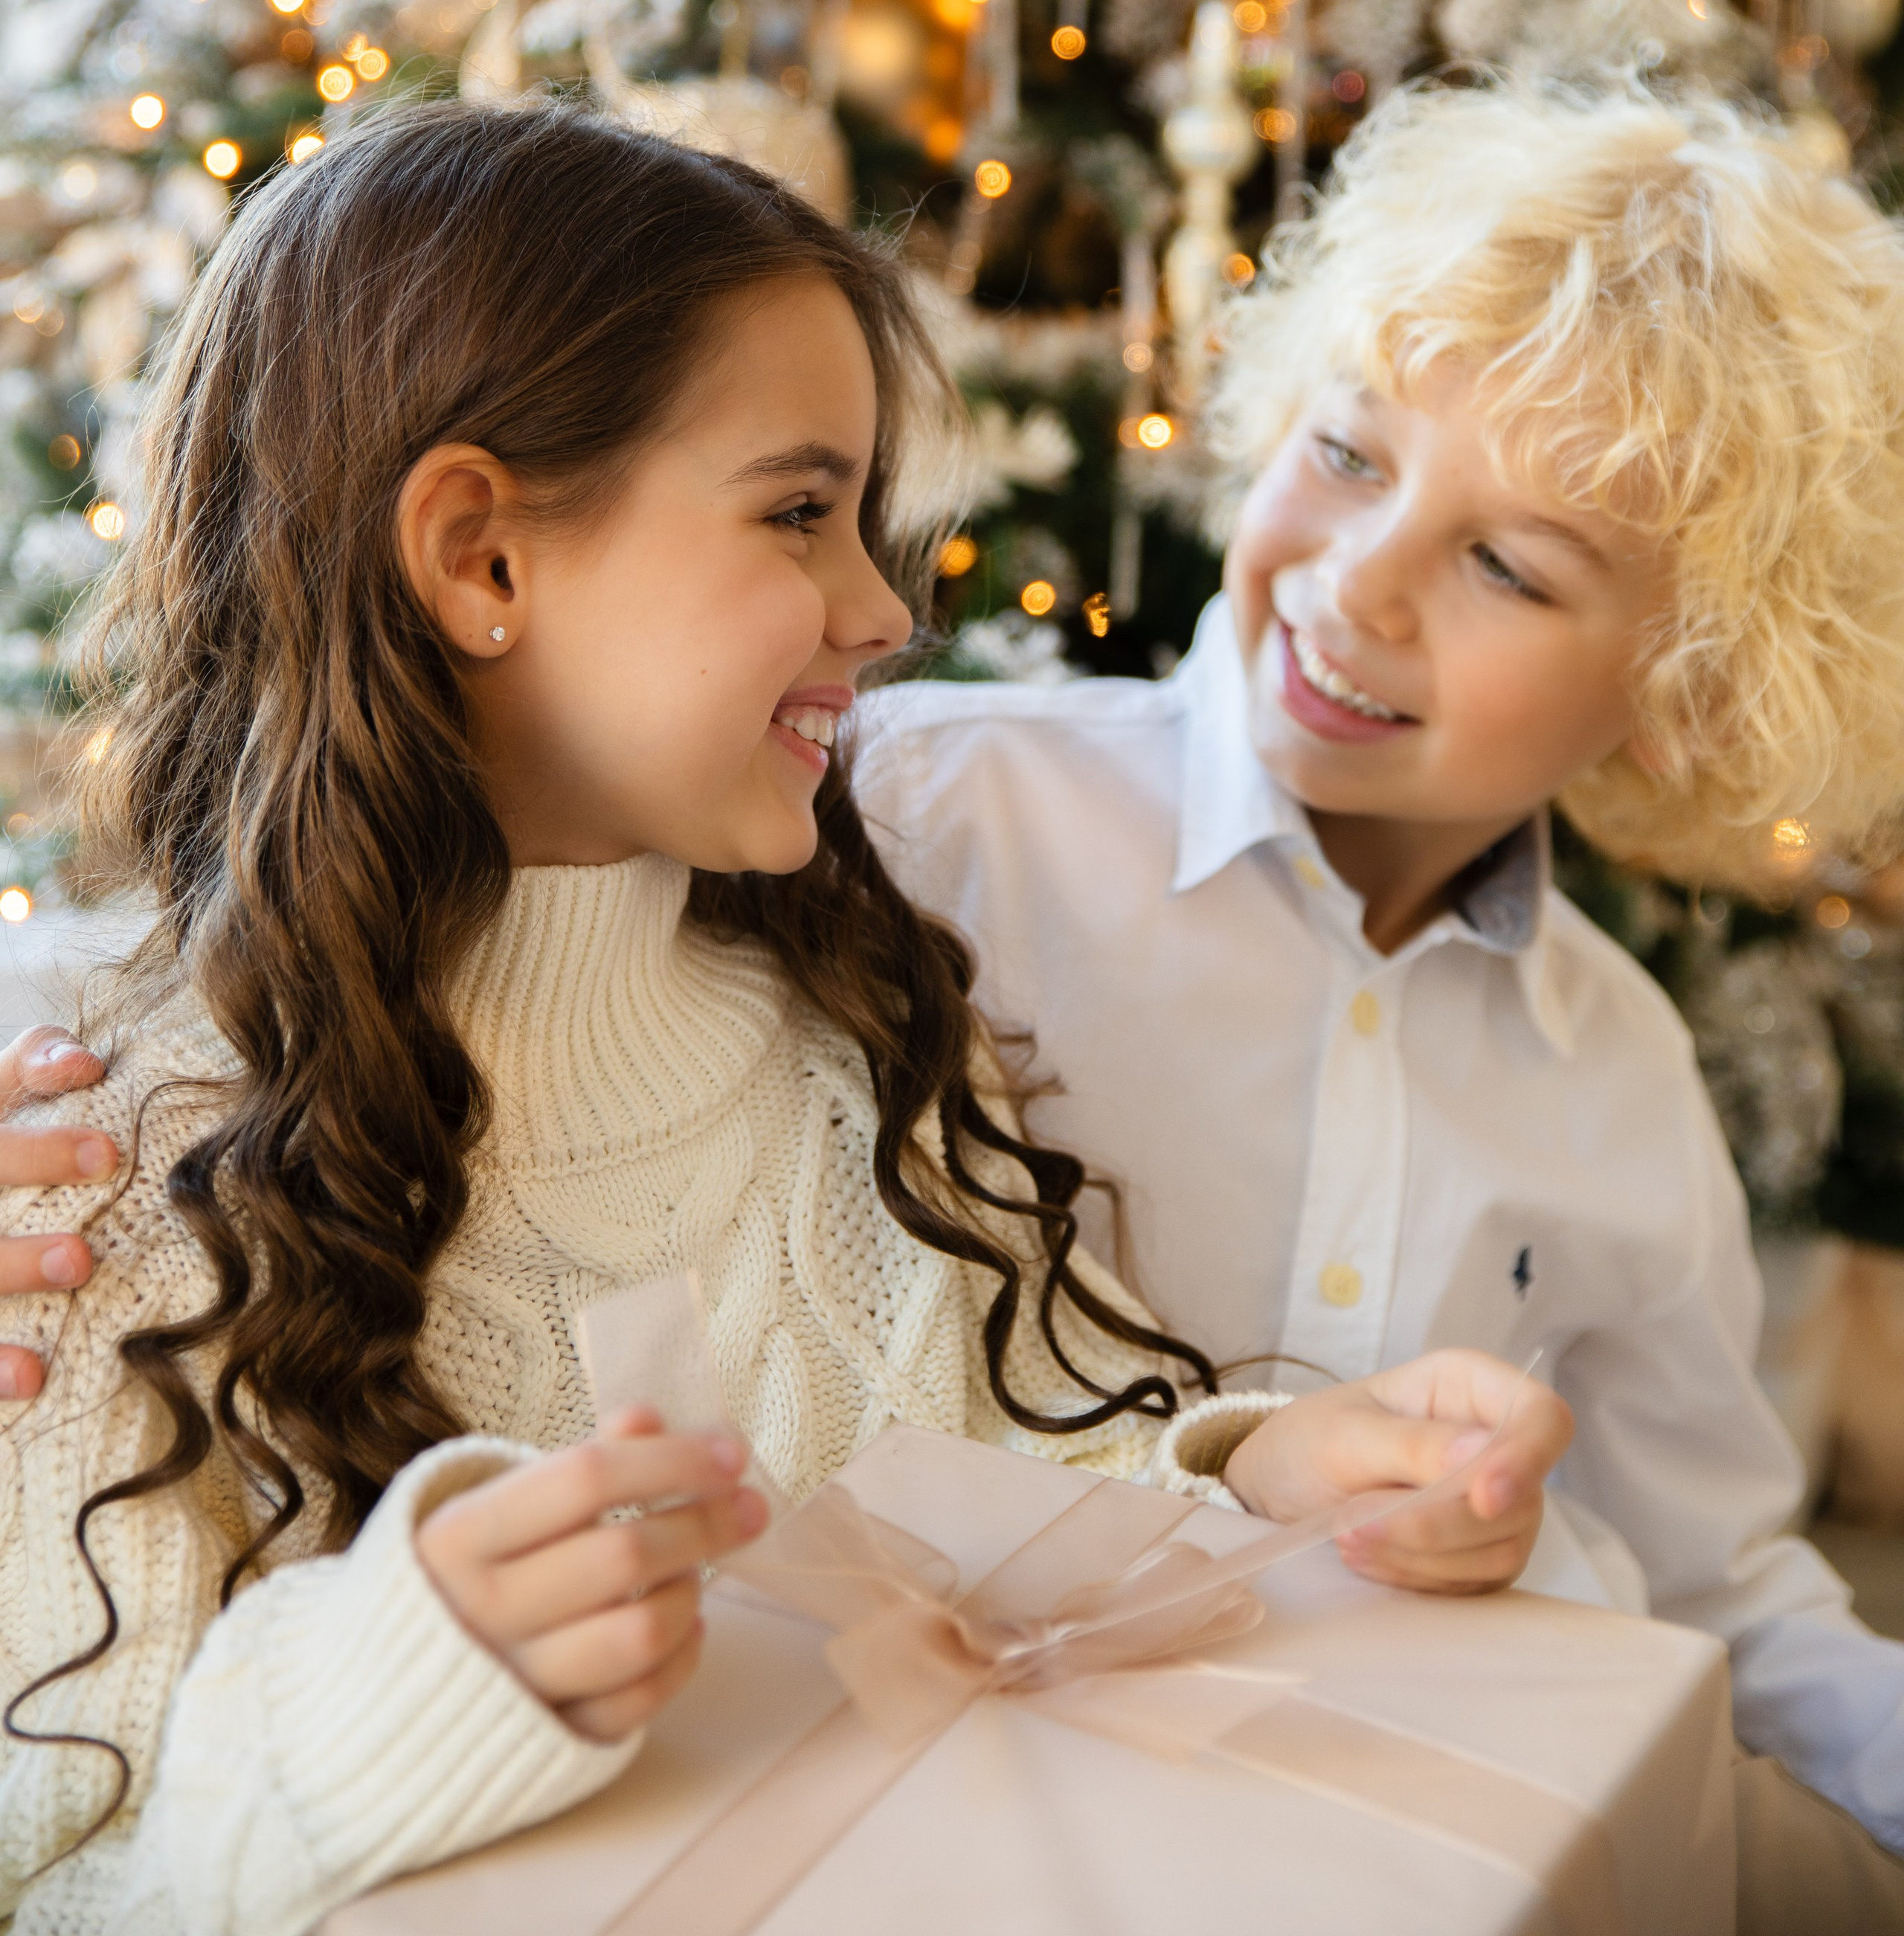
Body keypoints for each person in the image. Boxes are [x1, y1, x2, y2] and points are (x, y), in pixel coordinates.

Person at [0, 102, 1563, 1936]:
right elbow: (68, 1876)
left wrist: (1255, 1464)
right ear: (481, 559)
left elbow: (1012, 1458)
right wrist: (391, 1699)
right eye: (800, 513)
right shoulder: (104, 1173)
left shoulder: (847, 1033)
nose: (882, 607)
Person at [846, 80, 1904, 1917]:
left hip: (1418, 1857)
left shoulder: (1621, 1074)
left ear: (1685, 693)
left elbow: (1724, 1588)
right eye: (1346, 454)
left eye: (1506, 565)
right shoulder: (926, 822)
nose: (1358, 584)